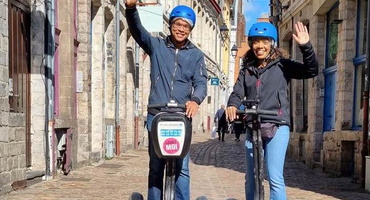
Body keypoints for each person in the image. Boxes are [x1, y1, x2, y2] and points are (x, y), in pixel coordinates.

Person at [226, 21, 318, 200]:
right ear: (251, 43)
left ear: (272, 43)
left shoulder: (283, 65)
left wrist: (306, 46)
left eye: (265, 41)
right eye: (256, 42)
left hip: (277, 124)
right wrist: (233, 104)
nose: (260, 46)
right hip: (253, 125)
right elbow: (237, 92)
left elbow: (311, 70)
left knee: (275, 177)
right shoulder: (247, 70)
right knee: (251, 177)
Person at [125, 1, 208, 200]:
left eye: (185, 26)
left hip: (181, 117)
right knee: (156, 166)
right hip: (157, 114)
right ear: (170, 25)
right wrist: (130, 9)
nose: (181, 29)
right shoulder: (157, 45)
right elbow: (138, 31)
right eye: (177, 24)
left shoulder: (196, 55)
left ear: (190, 29)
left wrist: (195, 100)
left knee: (182, 168)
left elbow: (201, 83)